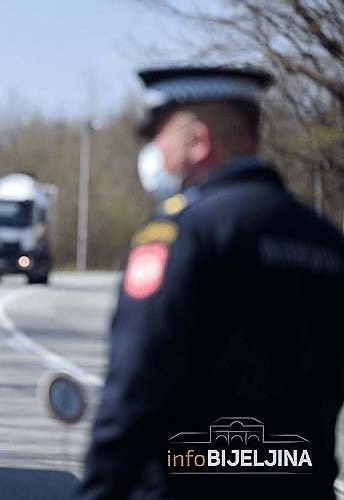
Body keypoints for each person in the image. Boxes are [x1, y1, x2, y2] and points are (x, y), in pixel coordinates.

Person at [74, 66, 344, 500]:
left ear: (198, 142)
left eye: (159, 133)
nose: (153, 150)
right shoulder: (326, 239)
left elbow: (135, 387)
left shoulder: (183, 233)